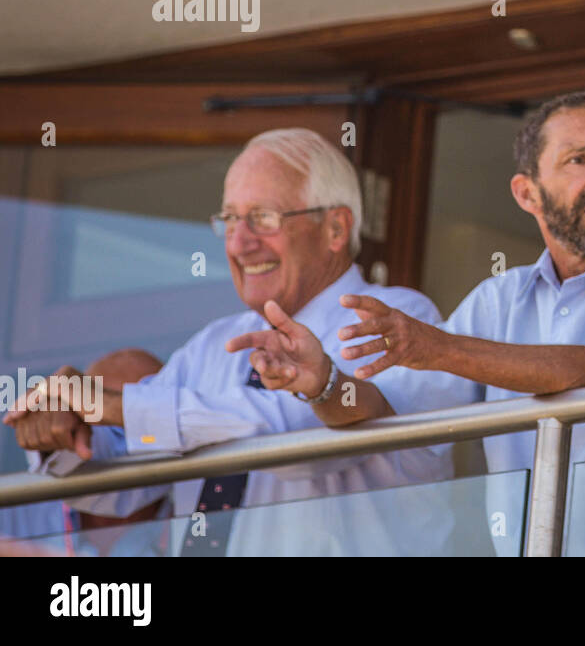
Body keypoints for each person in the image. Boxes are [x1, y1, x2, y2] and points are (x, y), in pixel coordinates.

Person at [235, 92, 585, 555]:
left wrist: (439, 348)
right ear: (526, 193)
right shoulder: (499, 299)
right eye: (578, 159)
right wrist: (323, 384)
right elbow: (387, 416)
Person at [6, 128, 478, 556]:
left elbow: (292, 438)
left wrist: (113, 404)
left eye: (263, 218)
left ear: (336, 228)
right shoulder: (213, 346)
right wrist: (62, 435)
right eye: (230, 221)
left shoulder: (394, 319)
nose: (239, 243)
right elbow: (121, 484)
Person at [1, 349, 170, 556]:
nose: (122, 440)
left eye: (136, 420)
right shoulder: (17, 505)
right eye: (102, 416)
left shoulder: (199, 517)